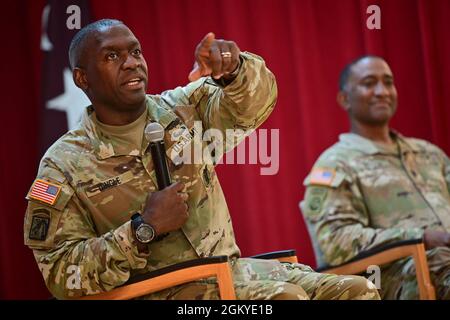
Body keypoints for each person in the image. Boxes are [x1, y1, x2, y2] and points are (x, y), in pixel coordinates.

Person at [24, 19, 380, 300]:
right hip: (155, 291)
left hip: (229, 273)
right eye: (112, 56)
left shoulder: (182, 109)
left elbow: (254, 103)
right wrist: (141, 230)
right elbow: (61, 272)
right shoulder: (63, 164)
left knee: (357, 291)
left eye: (135, 52)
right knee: (284, 299)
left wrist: (233, 69)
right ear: (82, 78)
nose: (132, 63)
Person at [301, 55, 450, 299]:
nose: (382, 91)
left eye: (388, 82)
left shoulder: (428, 153)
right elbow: (335, 243)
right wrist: (419, 237)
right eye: (369, 83)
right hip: (389, 277)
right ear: (344, 99)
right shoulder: (336, 164)